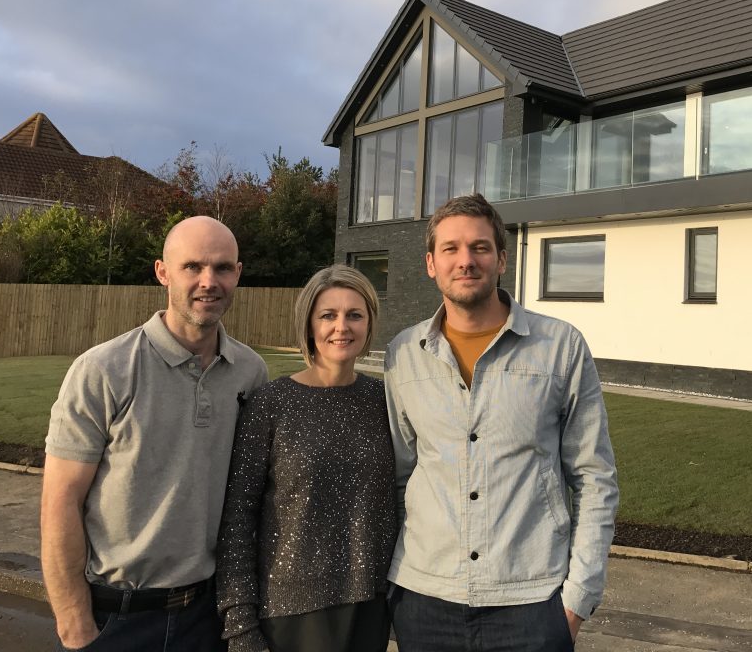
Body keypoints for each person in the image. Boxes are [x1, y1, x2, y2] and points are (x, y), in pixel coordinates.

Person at [385, 193, 619, 651]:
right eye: (450, 249)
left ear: (502, 259)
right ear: (431, 263)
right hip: (425, 600)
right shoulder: (403, 354)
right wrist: (396, 590)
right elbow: (398, 475)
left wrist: (576, 600)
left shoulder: (560, 347)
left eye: (480, 247)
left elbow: (595, 478)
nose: (465, 260)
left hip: (532, 602)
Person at [41, 215, 269, 652]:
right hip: (115, 620)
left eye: (223, 268)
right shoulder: (103, 370)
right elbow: (59, 502)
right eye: (192, 267)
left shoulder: (249, 373)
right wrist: (75, 625)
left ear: (238, 274)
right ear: (163, 272)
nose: (209, 281)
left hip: (206, 618)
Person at [216, 265, 396, 652]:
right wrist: (239, 624)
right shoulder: (272, 403)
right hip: (290, 612)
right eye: (328, 315)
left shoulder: (384, 401)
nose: (341, 327)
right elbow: (237, 517)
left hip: (370, 606)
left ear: (369, 324)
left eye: (354, 315)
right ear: (309, 324)